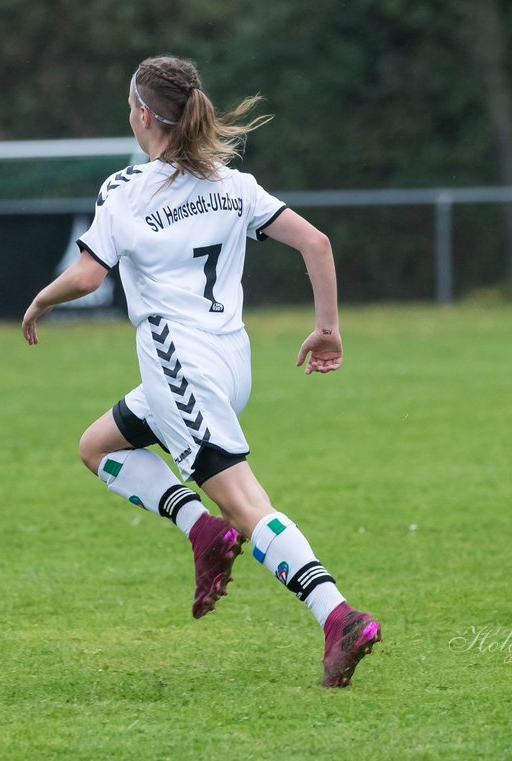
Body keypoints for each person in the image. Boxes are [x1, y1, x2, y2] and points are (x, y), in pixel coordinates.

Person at [21, 55, 380, 687]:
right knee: (99, 447)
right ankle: (200, 530)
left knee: (247, 506)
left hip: (178, 366)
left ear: (141, 113)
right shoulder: (232, 183)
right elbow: (317, 244)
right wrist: (327, 328)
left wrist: (40, 301)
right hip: (230, 364)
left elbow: (86, 275)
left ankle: (338, 616)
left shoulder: (123, 191)